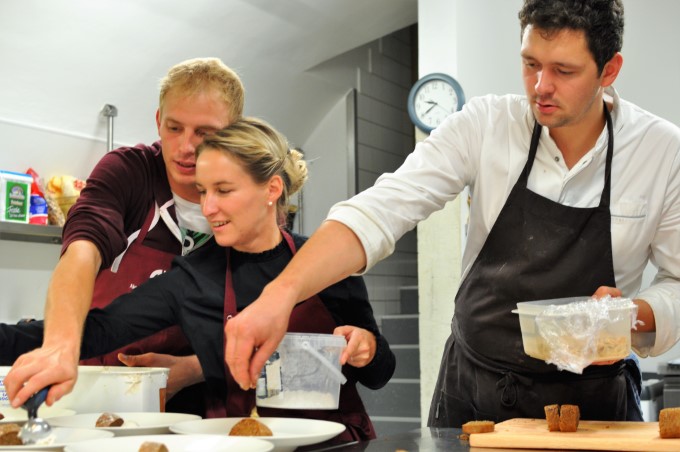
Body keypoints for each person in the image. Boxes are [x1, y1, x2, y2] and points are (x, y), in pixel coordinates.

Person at [222, 0, 680, 427]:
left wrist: (629, 315)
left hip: (594, 405)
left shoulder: (660, 152)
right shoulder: (485, 125)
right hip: (476, 394)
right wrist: (281, 294)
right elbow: (383, 208)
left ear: (609, 69)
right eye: (530, 64)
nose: (541, 86)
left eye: (564, 70)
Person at [1, 117, 396, 443]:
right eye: (202, 191)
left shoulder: (326, 262)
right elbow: (98, 331)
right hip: (235, 445)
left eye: (223, 190)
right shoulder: (192, 278)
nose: (208, 207)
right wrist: (42, 344)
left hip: (336, 445)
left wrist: (367, 348)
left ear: (272, 190)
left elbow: (379, 374)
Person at [4, 57, 245, 415]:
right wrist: (60, 346)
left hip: (198, 405)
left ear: (233, 132)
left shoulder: (247, 195)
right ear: (158, 120)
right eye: (174, 128)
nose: (185, 147)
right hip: (95, 389)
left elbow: (270, 318)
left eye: (204, 134)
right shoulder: (130, 172)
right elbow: (82, 251)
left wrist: (195, 368)